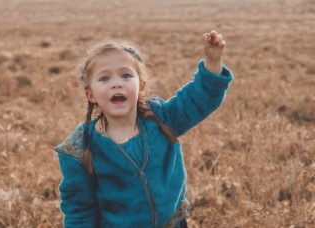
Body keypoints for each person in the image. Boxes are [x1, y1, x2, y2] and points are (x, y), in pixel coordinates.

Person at [53, 30, 233, 228]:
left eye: (126, 75)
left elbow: (197, 100)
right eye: (104, 79)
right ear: (91, 95)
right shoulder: (81, 148)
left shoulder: (161, 118)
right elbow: (79, 209)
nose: (117, 84)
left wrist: (213, 62)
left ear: (141, 86)